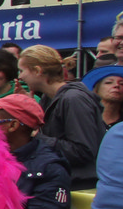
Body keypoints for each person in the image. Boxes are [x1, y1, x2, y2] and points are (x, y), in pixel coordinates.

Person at [19, 44, 105, 188]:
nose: (20, 76)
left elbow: (82, 151)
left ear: (37, 71)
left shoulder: (74, 99)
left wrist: (38, 137)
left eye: (22, 71)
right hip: (63, 180)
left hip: (81, 184)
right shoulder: (48, 98)